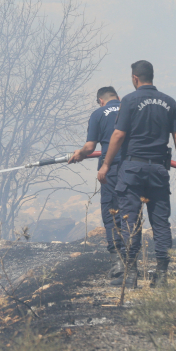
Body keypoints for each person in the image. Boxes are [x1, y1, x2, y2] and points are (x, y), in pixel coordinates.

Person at [97, 60, 176, 288]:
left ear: (135, 78)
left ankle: (131, 276)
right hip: (158, 169)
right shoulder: (169, 102)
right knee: (160, 222)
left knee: (130, 221)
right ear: (151, 76)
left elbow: (118, 135)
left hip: (132, 170)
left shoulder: (129, 100)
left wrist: (106, 165)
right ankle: (162, 276)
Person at [69, 86, 124, 278]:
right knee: (131, 212)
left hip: (111, 168)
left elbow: (90, 147)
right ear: (118, 97)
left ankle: (119, 263)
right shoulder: (131, 109)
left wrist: (79, 154)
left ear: (101, 100)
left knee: (111, 213)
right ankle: (133, 262)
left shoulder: (98, 113)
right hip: (136, 166)